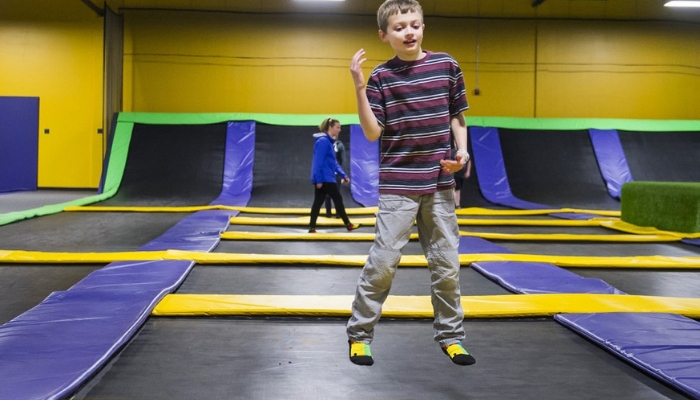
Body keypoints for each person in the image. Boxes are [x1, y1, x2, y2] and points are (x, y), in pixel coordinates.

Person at [346, 0, 475, 367]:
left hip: (439, 185)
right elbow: (372, 133)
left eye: (415, 24)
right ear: (384, 35)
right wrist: (358, 87)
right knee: (383, 263)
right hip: (398, 186)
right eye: (400, 27)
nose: (409, 32)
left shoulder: (446, 65)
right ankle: (359, 334)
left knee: (446, 265)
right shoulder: (382, 78)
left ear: (423, 27)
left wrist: (462, 154)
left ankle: (451, 337)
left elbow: (457, 118)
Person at [309, 117, 359, 233]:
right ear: (330, 128)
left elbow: (334, 163)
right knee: (337, 199)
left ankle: (312, 228)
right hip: (325, 179)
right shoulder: (323, 142)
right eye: (337, 127)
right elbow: (318, 162)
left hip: (328, 178)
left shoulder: (329, 142)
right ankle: (348, 224)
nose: (339, 129)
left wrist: (343, 175)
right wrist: (319, 180)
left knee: (318, 202)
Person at [312, 130, 346, 218]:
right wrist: (318, 178)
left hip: (334, 174)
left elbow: (340, 160)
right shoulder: (324, 144)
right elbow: (318, 162)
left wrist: (342, 174)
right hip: (326, 175)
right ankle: (328, 213)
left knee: (336, 195)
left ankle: (339, 214)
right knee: (325, 197)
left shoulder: (339, 145)